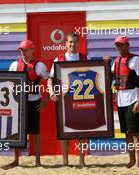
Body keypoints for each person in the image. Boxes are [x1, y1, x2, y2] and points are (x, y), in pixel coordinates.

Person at [103, 35, 139, 168]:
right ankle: (132, 160)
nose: (119, 47)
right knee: (127, 133)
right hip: (121, 101)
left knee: (135, 133)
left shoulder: (136, 60)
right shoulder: (115, 62)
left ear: (127, 45)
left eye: (122, 44)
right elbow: (109, 78)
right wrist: (106, 64)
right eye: (117, 45)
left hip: (133, 100)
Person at [5, 39, 50, 168]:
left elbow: (49, 80)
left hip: (34, 101)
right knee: (17, 132)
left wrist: (46, 98)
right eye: (21, 50)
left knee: (35, 132)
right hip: (18, 102)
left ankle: (37, 161)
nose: (23, 52)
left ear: (32, 50)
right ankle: (16, 160)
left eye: (25, 50)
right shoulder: (14, 65)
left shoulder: (39, 65)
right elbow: (9, 83)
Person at [47, 32, 87, 167]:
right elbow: (50, 80)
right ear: (66, 43)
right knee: (65, 132)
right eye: (70, 42)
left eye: (75, 42)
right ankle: (65, 162)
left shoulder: (85, 58)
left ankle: (82, 160)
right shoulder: (58, 59)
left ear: (78, 43)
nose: (72, 44)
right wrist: (51, 92)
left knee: (82, 132)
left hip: (82, 100)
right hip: (64, 101)